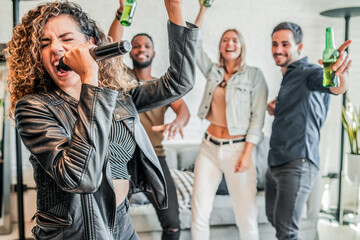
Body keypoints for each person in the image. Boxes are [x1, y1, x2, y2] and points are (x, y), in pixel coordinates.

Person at [5, 1, 198, 239]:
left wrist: (175, 9)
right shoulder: (35, 108)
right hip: (77, 234)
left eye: (66, 39)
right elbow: (81, 177)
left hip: (122, 222)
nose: (55, 48)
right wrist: (90, 78)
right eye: (45, 44)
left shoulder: (116, 98)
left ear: (90, 44)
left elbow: (179, 83)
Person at [107, 1, 190, 239]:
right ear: (129, 51)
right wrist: (122, 12)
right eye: (136, 45)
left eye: (146, 46)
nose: (141, 48)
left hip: (154, 157)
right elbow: (111, 47)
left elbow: (184, 110)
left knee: (173, 224)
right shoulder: (122, 79)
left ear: (153, 52)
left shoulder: (160, 88)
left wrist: (178, 122)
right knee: (108, 221)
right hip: (122, 157)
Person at [266, 22, 351, 240]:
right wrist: (277, 108)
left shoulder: (309, 72)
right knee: (274, 220)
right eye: (275, 44)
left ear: (299, 46)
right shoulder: (288, 78)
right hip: (276, 161)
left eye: (285, 44)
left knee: (287, 232)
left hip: (297, 163)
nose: (278, 49)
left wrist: (338, 74)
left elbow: (334, 86)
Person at [191, 3, 268, 240]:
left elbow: (258, 119)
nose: (229, 43)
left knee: (246, 215)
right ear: (221, 46)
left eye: (234, 39)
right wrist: (203, 9)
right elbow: (193, 44)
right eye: (225, 40)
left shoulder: (254, 75)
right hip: (209, 148)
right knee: (199, 211)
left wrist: (247, 154)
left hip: (238, 150)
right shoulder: (213, 71)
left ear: (241, 46)